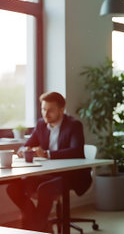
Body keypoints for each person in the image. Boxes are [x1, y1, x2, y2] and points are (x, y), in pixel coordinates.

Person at [7, 92, 91, 232]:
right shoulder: (41, 124)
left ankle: (36, 228)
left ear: (62, 109)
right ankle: (38, 223)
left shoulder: (74, 125)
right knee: (13, 187)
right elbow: (27, 144)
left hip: (71, 176)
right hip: (49, 174)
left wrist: (48, 154)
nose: (46, 114)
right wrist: (24, 149)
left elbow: (76, 151)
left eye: (50, 110)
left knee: (44, 189)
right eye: (43, 109)